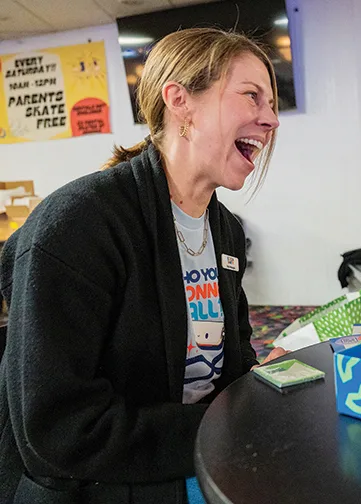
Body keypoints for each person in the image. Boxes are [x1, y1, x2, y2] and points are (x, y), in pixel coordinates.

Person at [0, 27, 288, 504]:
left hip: (195, 454)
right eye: (251, 96)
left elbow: (230, 364)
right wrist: (221, 430)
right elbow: (62, 432)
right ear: (180, 102)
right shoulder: (80, 224)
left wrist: (257, 386)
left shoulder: (226, 232)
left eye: (272, 103)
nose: (271, 119)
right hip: (103, 485)